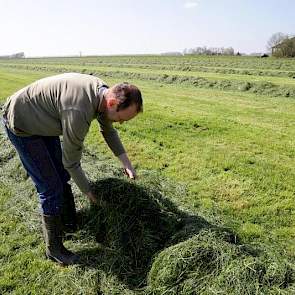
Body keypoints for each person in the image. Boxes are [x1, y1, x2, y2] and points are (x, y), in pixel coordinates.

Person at [2, 72, 143, 266]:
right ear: (111, 103)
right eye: (121, 118)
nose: (120, 122)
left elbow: (108, 130)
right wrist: (90, 193)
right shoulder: (79, 110)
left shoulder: (104, 93)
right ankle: (54, 250)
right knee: (50, 187)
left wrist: (127, 164)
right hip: (22, 122)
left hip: (45, 118)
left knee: (61, 176)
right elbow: (72, 162)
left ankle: (69, 223)